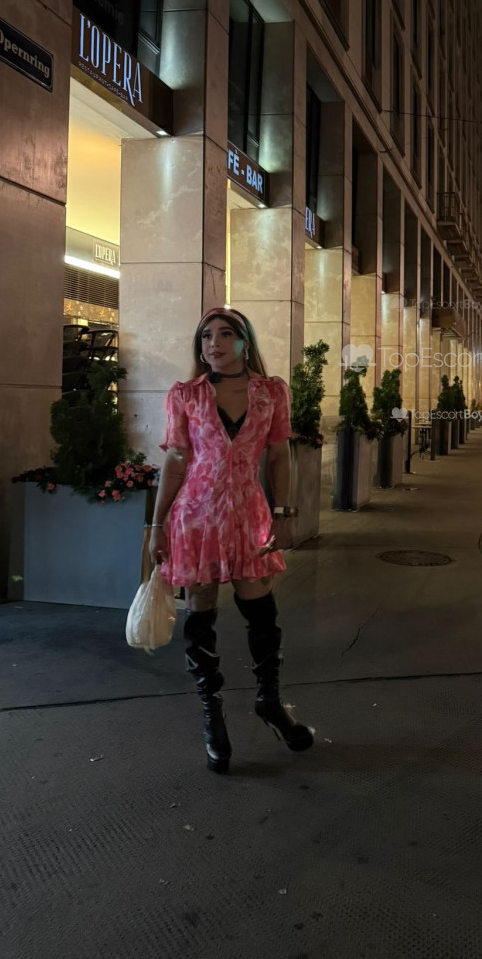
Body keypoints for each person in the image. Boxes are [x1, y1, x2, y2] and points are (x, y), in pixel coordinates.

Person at [149, 307, 313, 774]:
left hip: (249, 514)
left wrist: (284, 513)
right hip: (196, 518)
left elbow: (278, 456)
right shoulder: (186, 395)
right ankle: (212, 713)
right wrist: (156, 526)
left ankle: (269, 700)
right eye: (206, 337)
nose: (213, 344)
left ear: (245, 342)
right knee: (201, 610)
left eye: (225, 335)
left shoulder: (271, 392)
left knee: (261, 611)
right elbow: (176, 461)